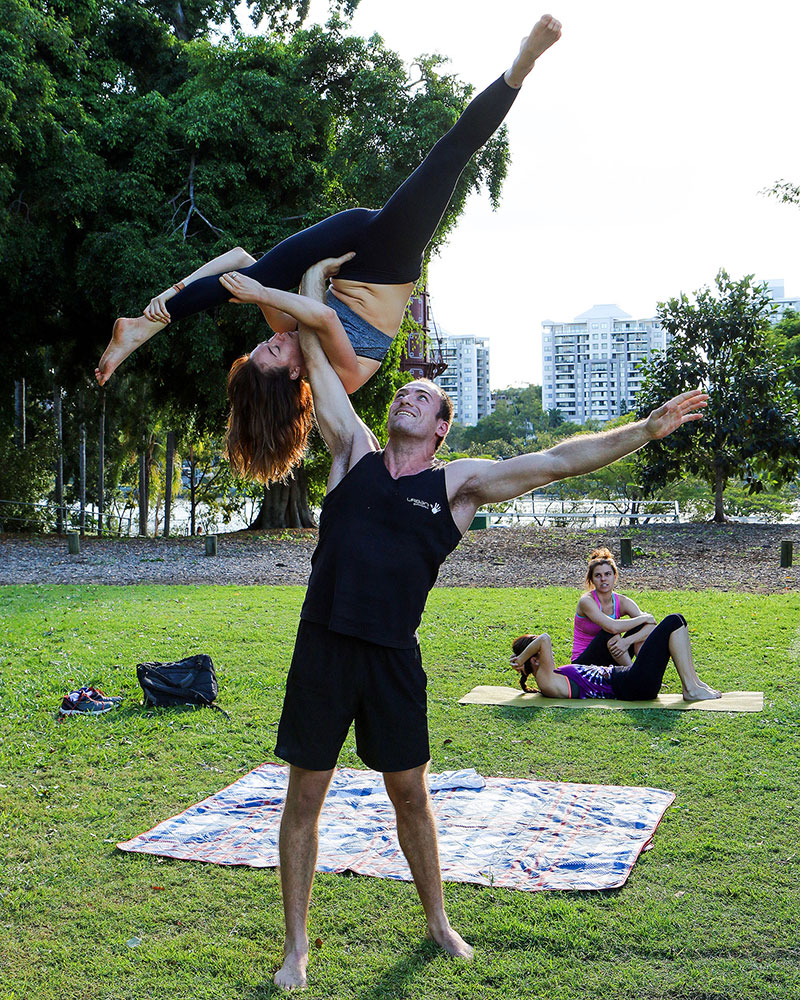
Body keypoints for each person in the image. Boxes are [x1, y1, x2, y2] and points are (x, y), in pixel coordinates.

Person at [270, 243, 708, 988]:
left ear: (442, 429)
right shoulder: (354, 451)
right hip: (323, 648)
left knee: (410, 792)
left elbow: (557, 461)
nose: (407, 397)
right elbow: (313, 357)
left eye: (424, 401)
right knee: (304, 794)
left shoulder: (458, 485)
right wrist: (312, 289)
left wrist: (644, 429)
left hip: (391, 658)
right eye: (402, 394)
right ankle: (297, 946)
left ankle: (438, 922)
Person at [94, 15, 565, 484]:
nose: (273, 339)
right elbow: (325, 319)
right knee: (450, 155)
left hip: (349, 243)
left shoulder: (286, 327)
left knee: (249, 280)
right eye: (273, 352)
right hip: (388, 260)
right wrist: (260, 294)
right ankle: (520, 67)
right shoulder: (335, 380)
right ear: (295, 374)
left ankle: (142, 328)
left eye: (265, 344)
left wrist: (174, 295)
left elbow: (237, 259)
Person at [510, 618, 721, 702]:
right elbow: (544, 639)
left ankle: (694, 684)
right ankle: (690, 690)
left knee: (679, 622)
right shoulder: (546, 680)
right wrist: (521, 658)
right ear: (535, 660)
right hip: (632, 683)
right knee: (673, 621)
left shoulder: (553, 676)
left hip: (631, 681)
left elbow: (542, 642)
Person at [571, 546, 658, 667]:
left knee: (640, 628)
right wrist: (644, 617)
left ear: (615, 576)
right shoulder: (586, 601)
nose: (603, 579)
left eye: (607, 574)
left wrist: (627, 641)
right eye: (598, 575)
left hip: (611, 655)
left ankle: (641, 670)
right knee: (609, 633)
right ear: (591, 580)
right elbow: (612, 627)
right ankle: (631, 674)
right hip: (583, 663)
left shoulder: (622, 601)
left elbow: (652, 625)